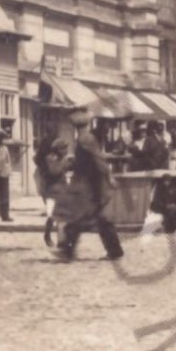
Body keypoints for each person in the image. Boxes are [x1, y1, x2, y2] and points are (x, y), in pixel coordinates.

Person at [52, 107, 126, 261]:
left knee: (76, 218)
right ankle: (115, 251)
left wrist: (109, 176)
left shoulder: (85, 139)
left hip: (90, 187)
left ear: (78, 126)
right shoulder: (86, 138)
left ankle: (67, 251)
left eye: (75, 124)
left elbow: (98, 160)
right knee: (100, 219)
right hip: (91, 187)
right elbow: (90, 161)